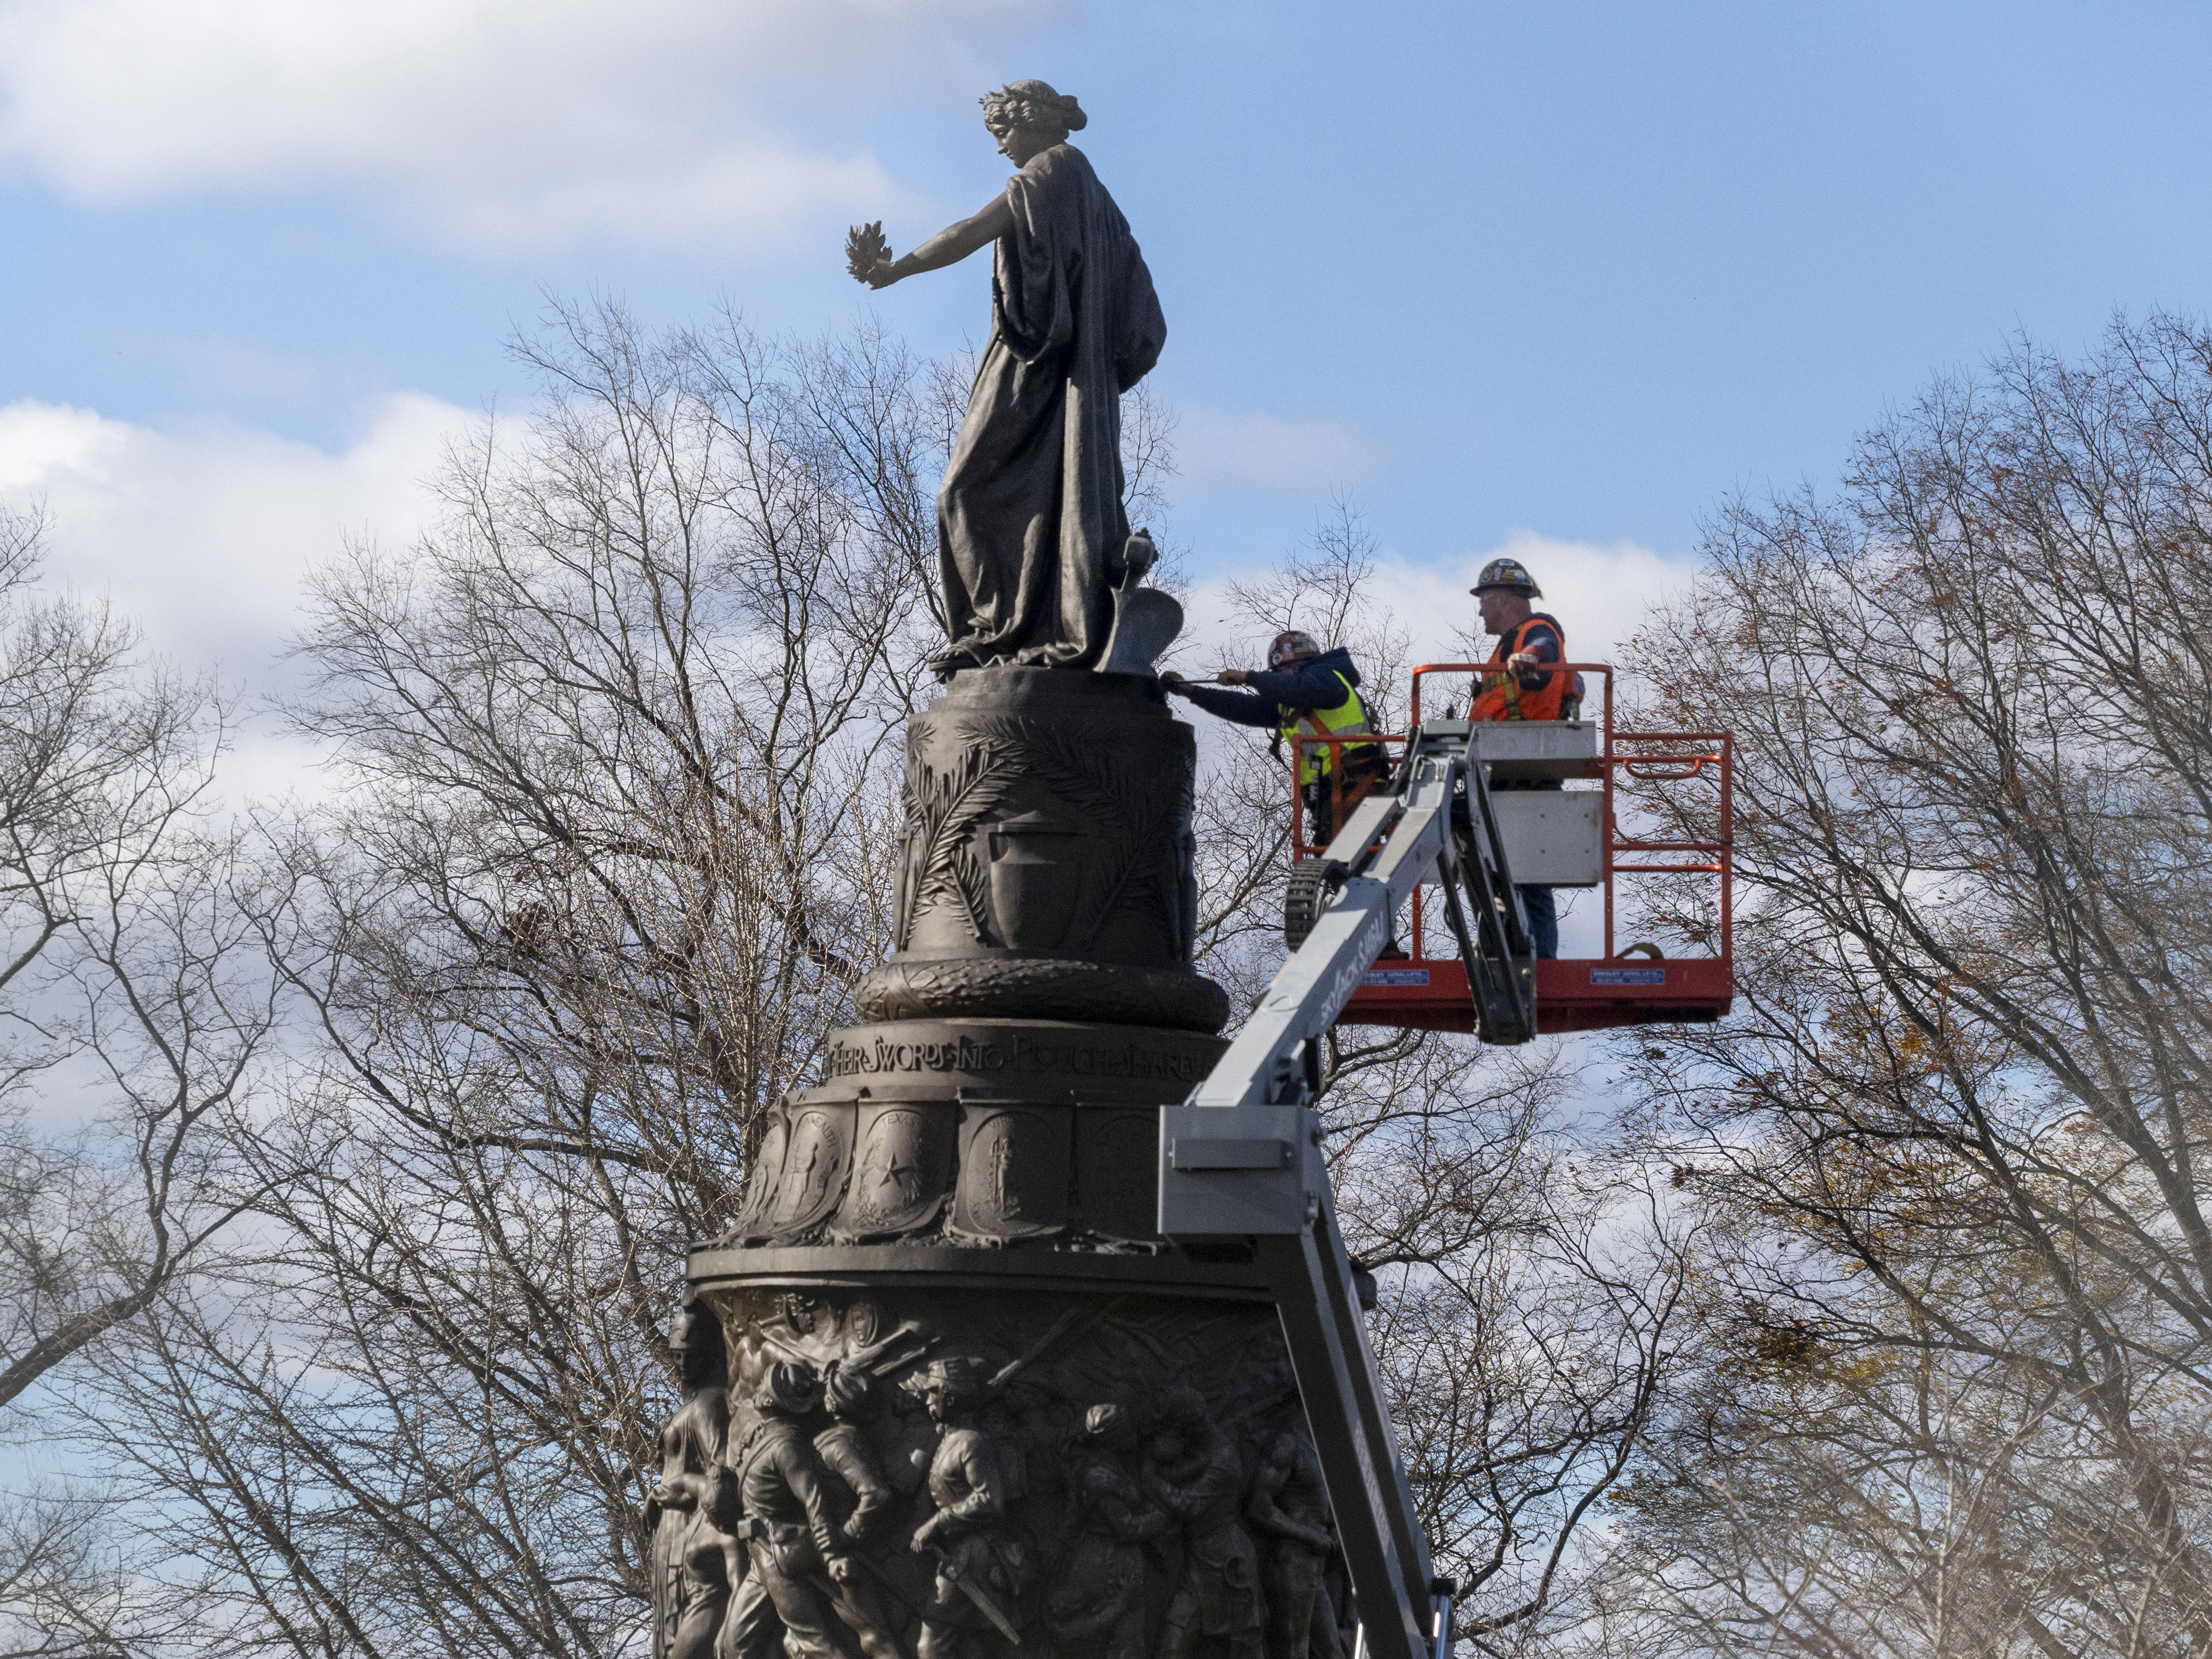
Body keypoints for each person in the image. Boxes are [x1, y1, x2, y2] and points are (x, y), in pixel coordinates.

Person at [851, 81, 1167, 674]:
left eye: (1003, 131)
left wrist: (898, 269)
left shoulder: (1056, 170)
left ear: (1037, 122)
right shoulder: (1092, 193)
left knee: (962, 491)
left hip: (1041, 369)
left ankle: (996, 629)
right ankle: (1015, 628)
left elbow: (975, 229)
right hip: (1058, 370)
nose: (1000, 148)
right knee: (1032, 497)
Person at [1163, 631, 1388, 848]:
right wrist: (1189, 690)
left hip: (1356, 784)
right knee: (1345, 869)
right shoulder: (1293, 702)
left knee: (1353, 864)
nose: (1279, 679)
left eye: (1281, 673)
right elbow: (1243, 707)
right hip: (1332, 795)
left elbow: (1300, 688)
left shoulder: (1326, 678)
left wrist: (1248, 677)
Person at [1468, 556, 1568, 959]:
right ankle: (1503, 951)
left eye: (1483, 599)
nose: (1479, 610)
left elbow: (1543, 648)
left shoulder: (1536, 631)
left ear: (1504, 598)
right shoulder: (1506, 645)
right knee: (1500, 873)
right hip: (1502, 765)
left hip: (1524, 767)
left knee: (1527, 874)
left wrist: (1528, 657)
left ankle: (1537, 963)